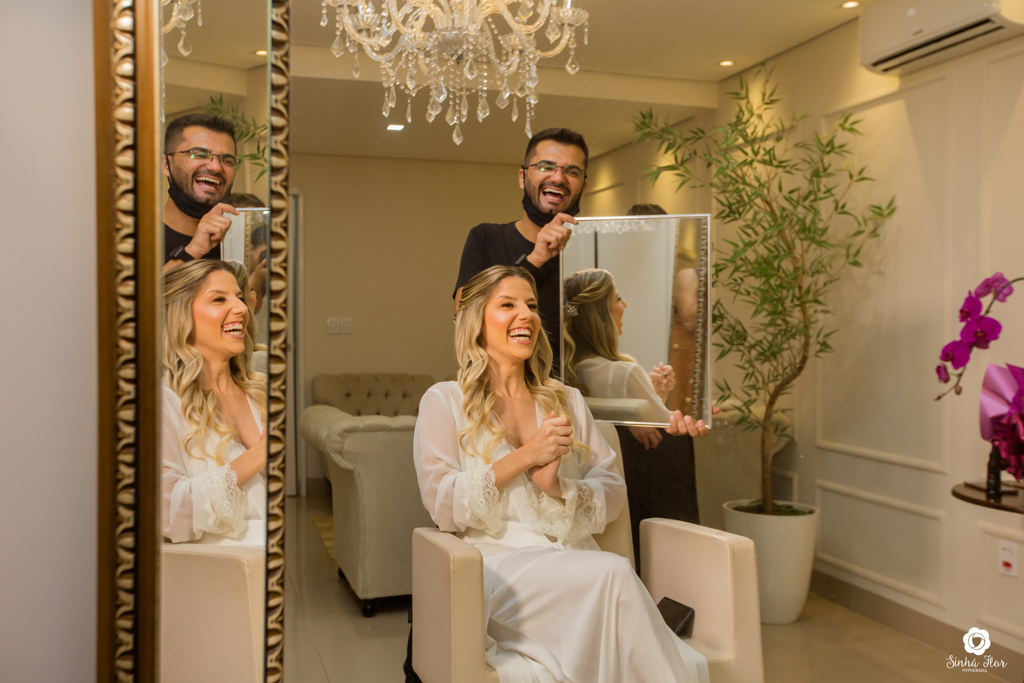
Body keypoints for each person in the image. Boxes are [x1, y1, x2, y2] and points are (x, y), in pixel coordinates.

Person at [413, 265, 710, 683]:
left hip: (576, 561)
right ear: (476, 320)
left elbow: (612, 489)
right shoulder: (444, 401)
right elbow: (442, 503)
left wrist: (555, 486)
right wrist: (526, 456)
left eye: (532, 305)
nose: (526, 315)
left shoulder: (567, 400)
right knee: (614, 573)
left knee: (608, 579)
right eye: (508, 305)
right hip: (499, 571)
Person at [562, 268, 702, 568]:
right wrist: (662, 405)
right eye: (618, 299)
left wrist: (652, 394)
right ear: (601, 314)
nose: (624, 305)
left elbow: (633, 417)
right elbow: (666, 428)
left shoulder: (570, 376)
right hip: (646, 491)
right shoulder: (625, 372)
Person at [453, 128, 590, 376]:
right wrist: (534, 259)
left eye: (572, 171)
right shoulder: (486, 238)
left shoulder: (592, 251)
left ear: (584, 185)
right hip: (497, 391)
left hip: (576, 392)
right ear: (522, 177)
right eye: (546, 166)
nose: (558, 178)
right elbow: (464, 314)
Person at [161, 259, 267, 546]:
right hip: (219, 568)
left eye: (239, 297)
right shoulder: (165, 404)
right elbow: (168, 514)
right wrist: (260, 454)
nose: (242, 308)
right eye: (219, 299)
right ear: (180, 315)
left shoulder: (261, 394)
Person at [162, 113, 241, 272]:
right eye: (199, 154)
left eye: (227, 161)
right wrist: (191, 252)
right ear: (166, 165)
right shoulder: (133, 235)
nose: (216, 167)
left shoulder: (238, 241)